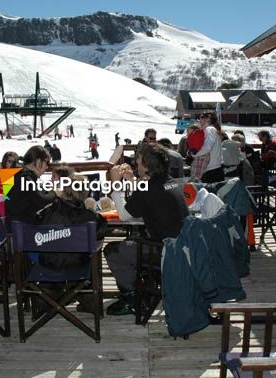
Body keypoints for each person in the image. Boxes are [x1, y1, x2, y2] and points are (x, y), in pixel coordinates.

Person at [105, 143, 189, 315]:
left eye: (138, 160)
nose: (135, 163)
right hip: (183, 247)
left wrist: (115, 184)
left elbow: (124, 215)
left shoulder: (148, 189)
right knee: (136, 238)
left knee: (112, 250)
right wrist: (132, 180)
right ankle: (144, 287)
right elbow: (154, 197)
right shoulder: (173, 182)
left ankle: (132, 299)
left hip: (164, 251)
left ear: (147, 165)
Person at [36, 173, 108, 312]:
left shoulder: (46, 212)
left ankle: (52, 293)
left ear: (63, 190)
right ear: (85, 192)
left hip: (48, 262)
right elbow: (101, 232)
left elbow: (36, 228)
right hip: (78, 263)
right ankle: (86, 294)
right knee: (94, 248)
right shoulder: (91, 217)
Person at [5, 146, 55, 229]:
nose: (47, 167)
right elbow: (41, 200)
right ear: (38, 161)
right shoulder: (24, 178)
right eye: (47, 163)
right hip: (22, 231)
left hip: (22, 226)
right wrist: (56, 193)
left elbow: (38, 194)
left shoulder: (21, 174)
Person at [195, 112, 224, 183]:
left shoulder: (209, 129)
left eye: (201, 118)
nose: (199, 121)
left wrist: (194, 153)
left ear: (208, 119)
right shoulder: (214, 130)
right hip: (216, 168)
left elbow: (207, 147)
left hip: (211, 170)